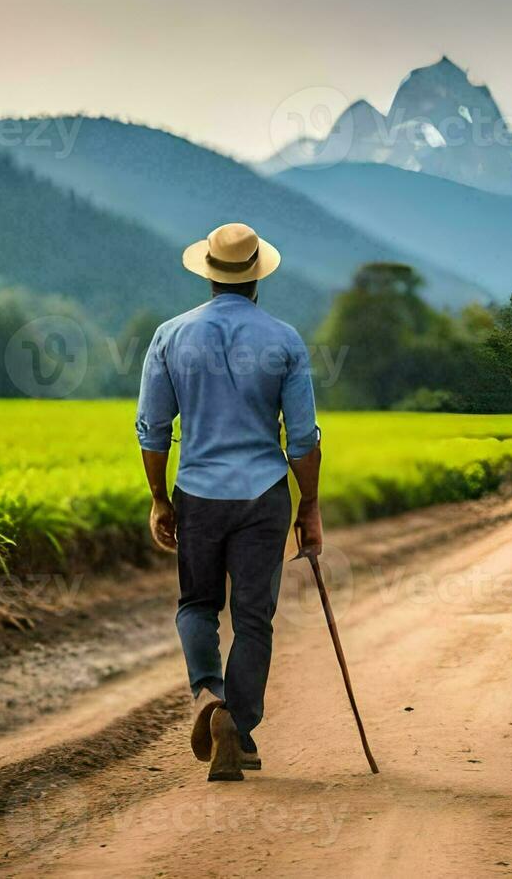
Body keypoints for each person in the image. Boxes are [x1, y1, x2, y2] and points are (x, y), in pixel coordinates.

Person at [136, 222, 323, 783]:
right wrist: (308, 505)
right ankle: (238, 731)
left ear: (210, 274)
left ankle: (208, 699)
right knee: (253, 618)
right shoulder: (286, 340)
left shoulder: (170, 336)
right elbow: (304, 438)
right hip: (263, 496)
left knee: (197, 605)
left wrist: (159, 500)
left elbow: (152, 429)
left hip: (197, 494)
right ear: (257, 277)